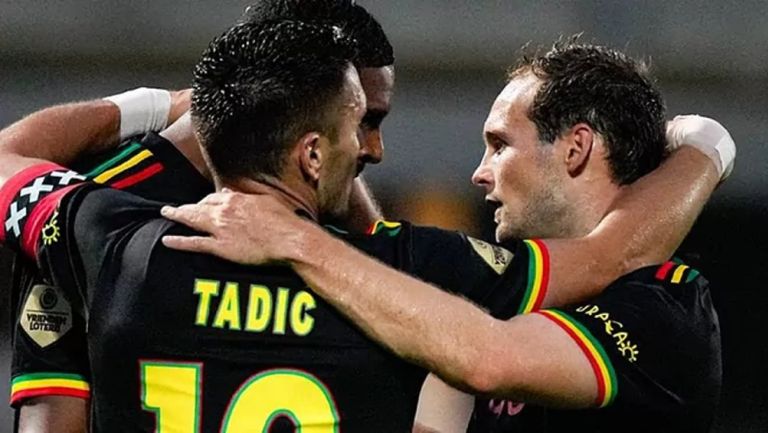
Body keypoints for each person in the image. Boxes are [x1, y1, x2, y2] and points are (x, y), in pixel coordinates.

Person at [160, 41, 733, 432]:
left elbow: (488, 359)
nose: (479, 173)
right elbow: (373, 245)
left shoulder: (664, 306)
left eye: (500, 144)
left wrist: (294, 240)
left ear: (577, 147)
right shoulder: (508, 285)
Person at [7, 1, 395, 432]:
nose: (374, 149)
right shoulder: (98, 210)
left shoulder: (338, 218)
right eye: (362, 120)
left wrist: (161, 104)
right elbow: (53, 420)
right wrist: (161, 104)